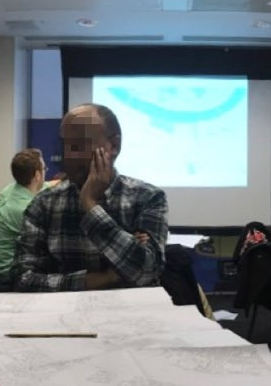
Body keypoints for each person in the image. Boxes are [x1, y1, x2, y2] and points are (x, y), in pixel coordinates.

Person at [14, 103, 168, 291]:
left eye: (79, 145)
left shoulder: (147, 198)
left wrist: (90, 205)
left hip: (128, 310)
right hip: (62, 310)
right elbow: (23, 280)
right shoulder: (44, 204)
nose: (68, 155)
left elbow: (146, 272)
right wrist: (104, 278)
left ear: (114, 146)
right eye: (64, 145)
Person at [0, 148, 45, 286]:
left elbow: (46, 185)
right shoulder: (26, 209)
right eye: (44, 169)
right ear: (37, 175)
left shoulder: (8, 190)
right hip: (7, 274)